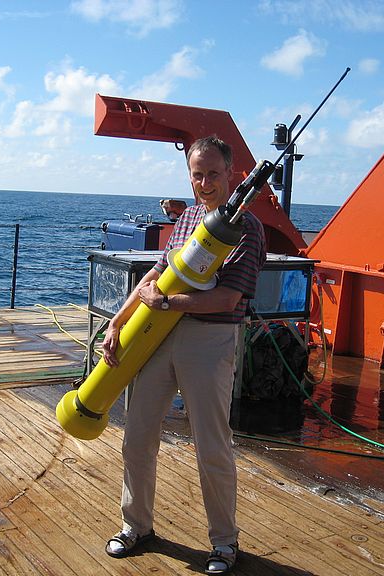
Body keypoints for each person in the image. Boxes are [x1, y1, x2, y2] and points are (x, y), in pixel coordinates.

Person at [101, 136, 266, 575]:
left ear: (231, 174)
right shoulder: (189, 214)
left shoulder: (246, 228)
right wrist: (118, 322)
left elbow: (229, 299)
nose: (205, 182)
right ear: (189, 175)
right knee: (137, 437)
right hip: (160, 335)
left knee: (212, 446)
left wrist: (168, 305)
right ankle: (136, 525)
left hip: (209, 343)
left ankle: (224, 543)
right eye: (198, 174)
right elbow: (158, 273)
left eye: (214, 173)